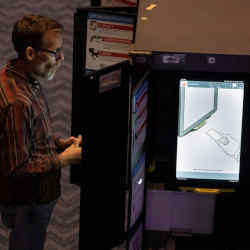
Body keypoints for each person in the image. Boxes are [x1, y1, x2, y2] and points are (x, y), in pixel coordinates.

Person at [0, 15, 82, 250]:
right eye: (55, 52)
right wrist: (62, 159)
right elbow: (17, 167)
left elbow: (26, 135)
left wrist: (57, 143)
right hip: (28, 200)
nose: (62, 58)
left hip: (33, 197)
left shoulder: (21, 77)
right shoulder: (17, 102)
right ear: (29, 54)